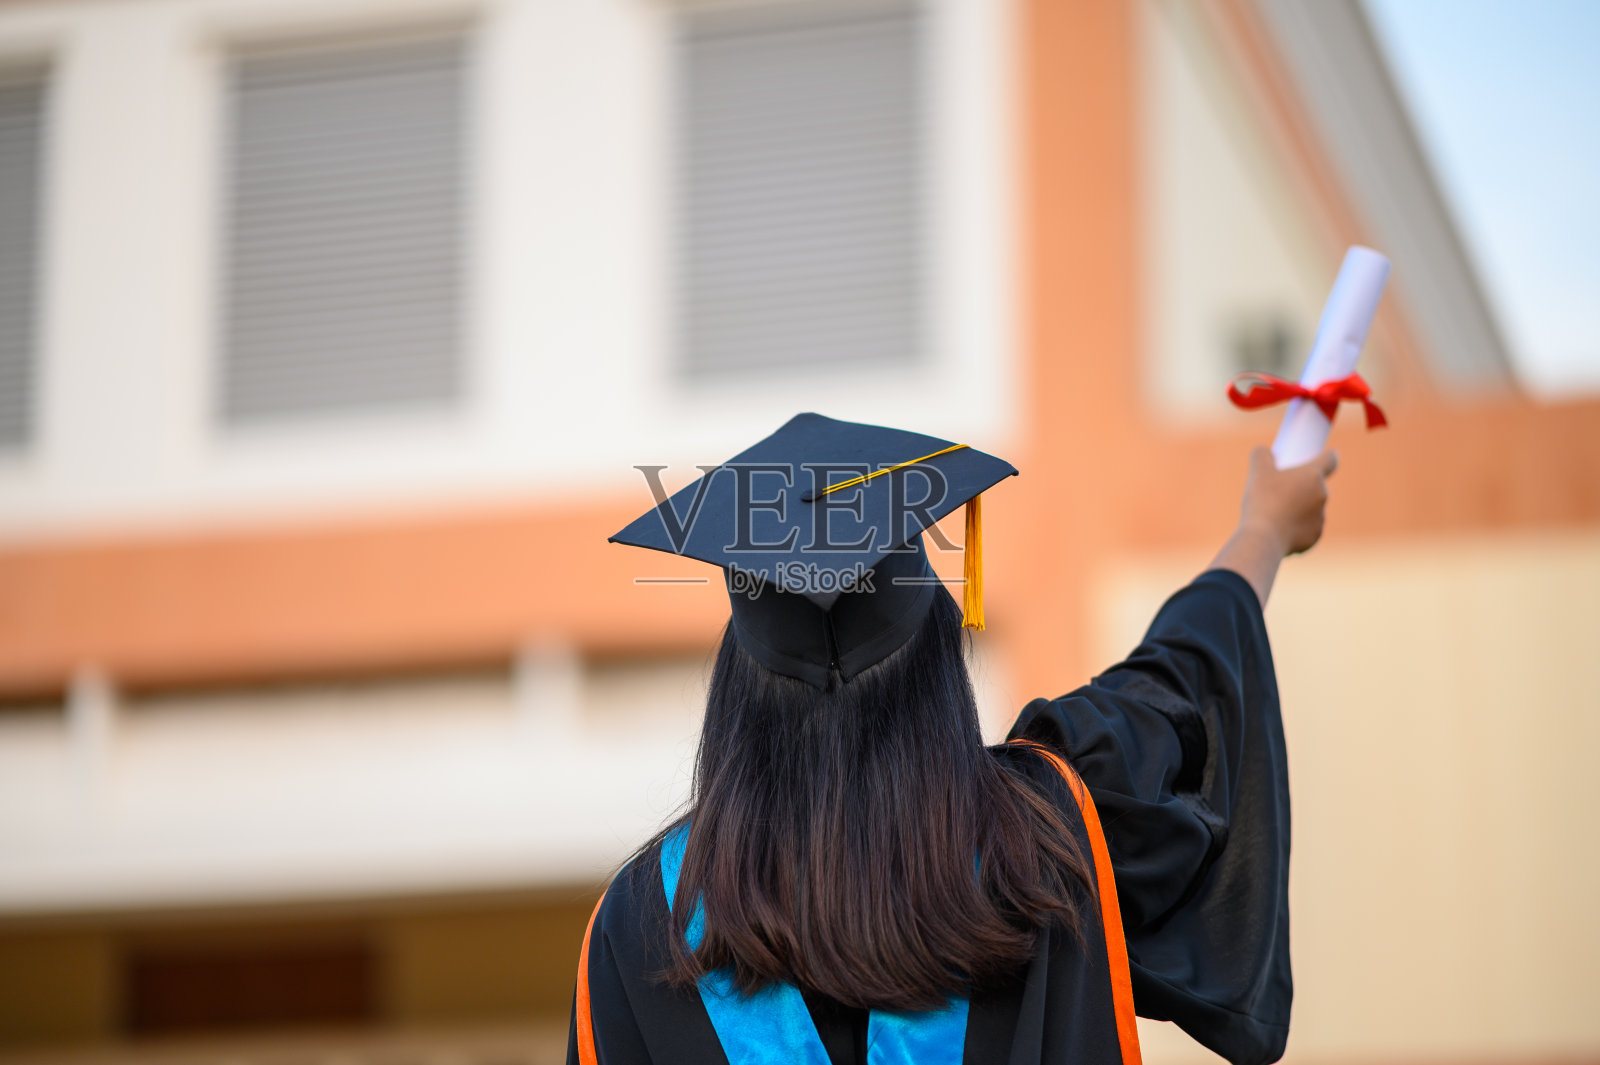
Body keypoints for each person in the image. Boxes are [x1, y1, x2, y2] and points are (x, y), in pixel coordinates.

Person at [569, 413, 1336, 1065]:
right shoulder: (1049, 832)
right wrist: (1263, 529)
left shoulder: (640, 927)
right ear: (937, 649)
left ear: (739, 678)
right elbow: (1174, 684)